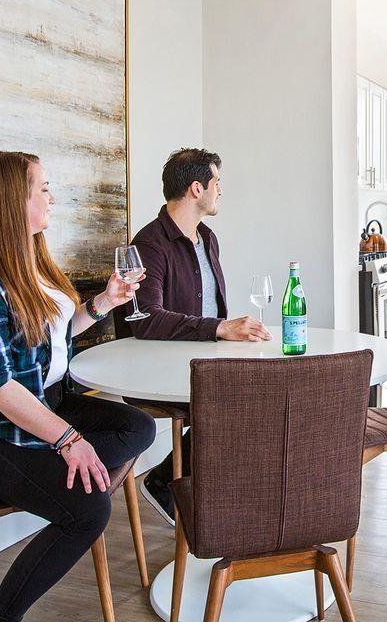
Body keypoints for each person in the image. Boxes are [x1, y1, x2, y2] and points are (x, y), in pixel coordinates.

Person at [0, 151, 156, 622]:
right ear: (10, 201)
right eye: (44, 188)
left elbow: (47, 339)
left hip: (41, 403)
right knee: (89, 511)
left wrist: (103, 303)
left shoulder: (29, 261)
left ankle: (13, 486)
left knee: (139, 428)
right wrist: (68, 440)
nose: (52, 198)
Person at [126, 147, 270, 523]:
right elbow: (146, 320)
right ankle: (165, 483)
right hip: (163, 367)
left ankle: (217, 499)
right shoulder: (149, 244)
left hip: (204, 357)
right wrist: (220, 328)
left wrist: (231, 333)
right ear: (196, 188)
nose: (220, 189)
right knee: (242, 400)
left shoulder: (207, 238)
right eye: (216, 182)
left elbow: (209, 312)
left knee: (265, 390)